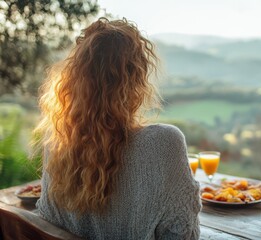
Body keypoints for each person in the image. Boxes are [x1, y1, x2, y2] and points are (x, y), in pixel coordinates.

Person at [34, 17, 201, 239]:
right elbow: (183, 234)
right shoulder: (164, 142)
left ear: (73, 81)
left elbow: (48, 222)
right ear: (136, 80)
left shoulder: (58, 140)